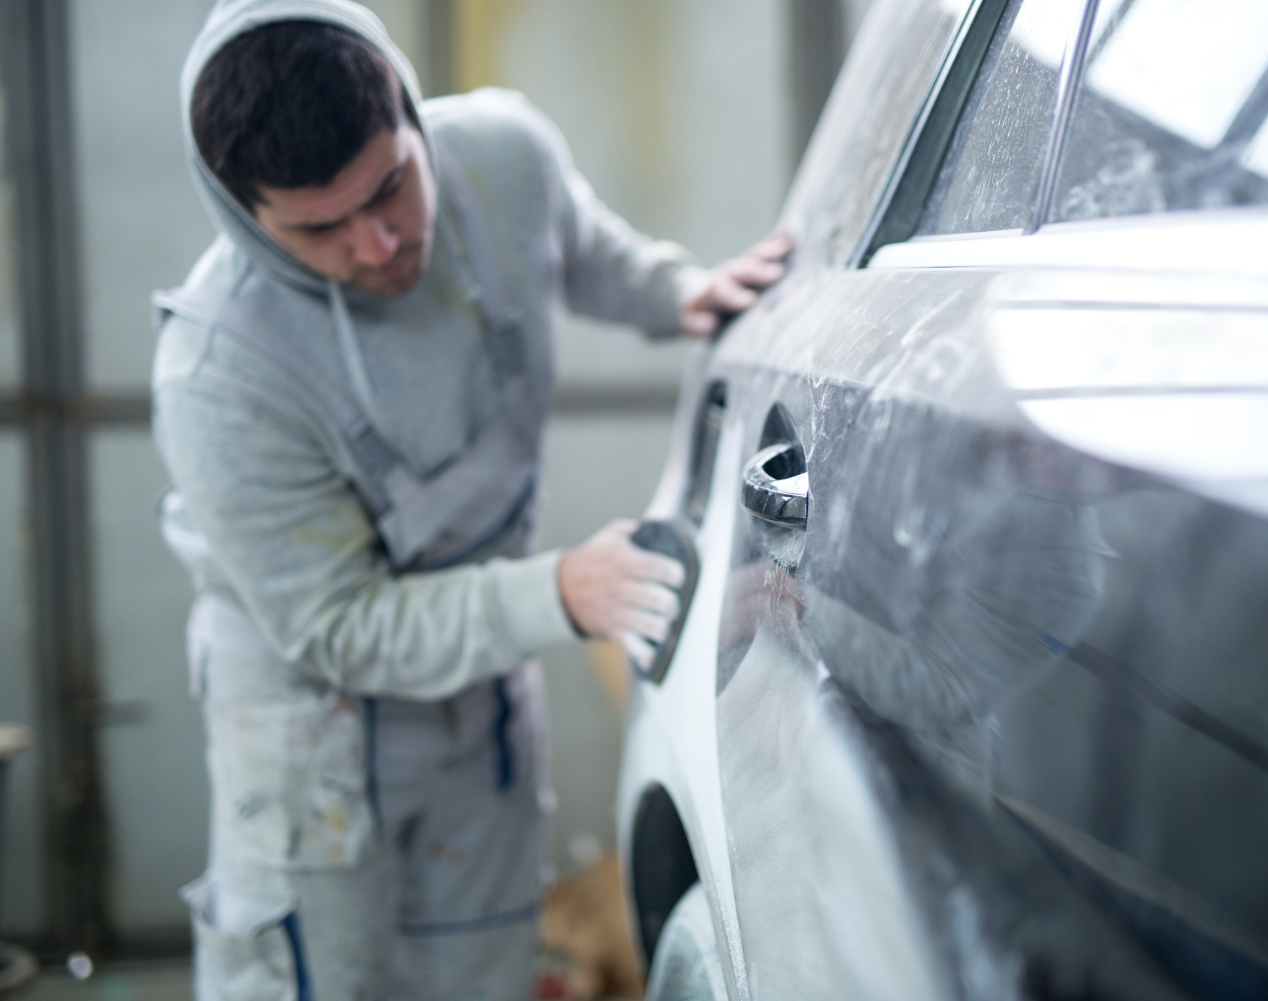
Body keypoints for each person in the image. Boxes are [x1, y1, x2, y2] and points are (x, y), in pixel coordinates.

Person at [151, 2, 789, 998]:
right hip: (314, 726)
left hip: (480, 689)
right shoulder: (220, 374)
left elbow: (578, 247)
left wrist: (677, 292)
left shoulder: (502, 154)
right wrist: (559, 594)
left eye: (392, 188)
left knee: (480, 968)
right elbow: (337, 622)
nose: (375, 243)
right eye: (319, 227)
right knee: (327, 979)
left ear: (409, 109)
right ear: (245, 215)